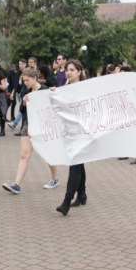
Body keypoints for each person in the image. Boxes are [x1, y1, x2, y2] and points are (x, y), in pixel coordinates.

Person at [2, 66, 61, 194]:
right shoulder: (25, 91)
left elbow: (54, 106)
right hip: (28, 124)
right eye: (24, 80)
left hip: (43, 126)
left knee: (48, 154)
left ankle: (55, 178)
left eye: (27, 80)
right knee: (24, 155)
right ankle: (16, 185)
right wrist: (24, 103)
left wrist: (53, 92)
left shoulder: (45, 90)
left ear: (35, 78)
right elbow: (22, 111)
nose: (25, 83)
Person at [56, 60, 90, 215]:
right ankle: (82, 194)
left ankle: (66, 202)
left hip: (82, 133)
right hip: (70, 132)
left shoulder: (85, 89)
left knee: (75, 165)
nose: (68, 72)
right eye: (66, 70)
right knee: (79, 163)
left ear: (79, 72)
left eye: (72, 69)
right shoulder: (65, 89)